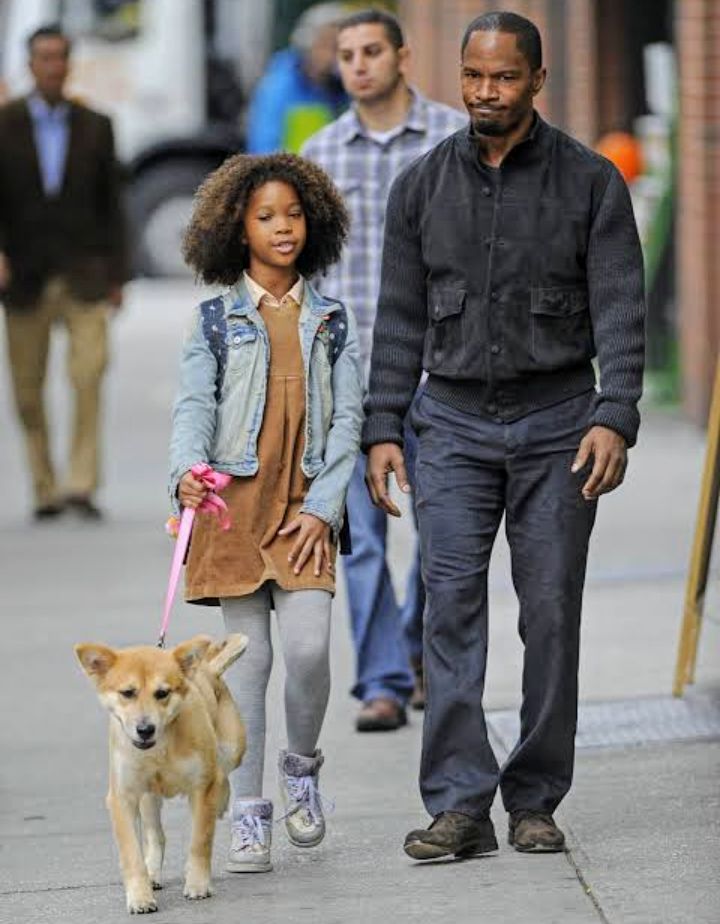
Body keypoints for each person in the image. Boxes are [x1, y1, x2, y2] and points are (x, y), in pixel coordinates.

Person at [363, 11, 646, 859]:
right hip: (448, 424)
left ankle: (534, 799)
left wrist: (615, 416)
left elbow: (623, 311)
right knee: (448, 611)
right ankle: (458, 803)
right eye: (475, 77)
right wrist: (383, 427)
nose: (487, 93)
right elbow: (400, 318)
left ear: (537, 81)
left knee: (551, 613)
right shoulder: (419, 186)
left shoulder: (592, 183)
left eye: (505, 78)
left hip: (559, 422)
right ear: (460, 74)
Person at [169, 152, 363, 873]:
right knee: (245, 669)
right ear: (236, 229)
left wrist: (323, 508)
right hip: (234, 510)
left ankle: (302, 767)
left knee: (310, 648)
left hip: (304, 510)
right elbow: (194, 408)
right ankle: (249, 813)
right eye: (266, 217)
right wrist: (185, 473)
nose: (284, 227)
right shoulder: (217, 322)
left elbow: (347, 424)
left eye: (294, 213)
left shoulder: (333, 322)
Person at [301, 8, 467, 731]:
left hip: (443, 375)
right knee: (362, 539)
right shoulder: (323, 154)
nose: (360, 64)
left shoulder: (451, 140)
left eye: (373, 50)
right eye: (347, 54)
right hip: (350, 383)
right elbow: (306, 274)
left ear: (403, 55)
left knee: (442, 531)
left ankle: (421, 654)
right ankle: (383, 682)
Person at [0, 24, 127, 520]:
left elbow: (113, 205)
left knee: (88, 375)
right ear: (30, 65)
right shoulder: (4, 124)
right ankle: (44, 486)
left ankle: (81, 483)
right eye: (44, 57)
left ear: (70, 64)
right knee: (28, 388)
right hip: (24, 277)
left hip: (85, 272)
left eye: (60, 57)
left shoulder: (96, 124)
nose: (52, 66)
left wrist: (118, 275)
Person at [245, 2, 348, 154]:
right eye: (327, 45)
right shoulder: (278, 86)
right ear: (307, 42)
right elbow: (263, 149)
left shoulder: (342, 88)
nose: (333, 56)